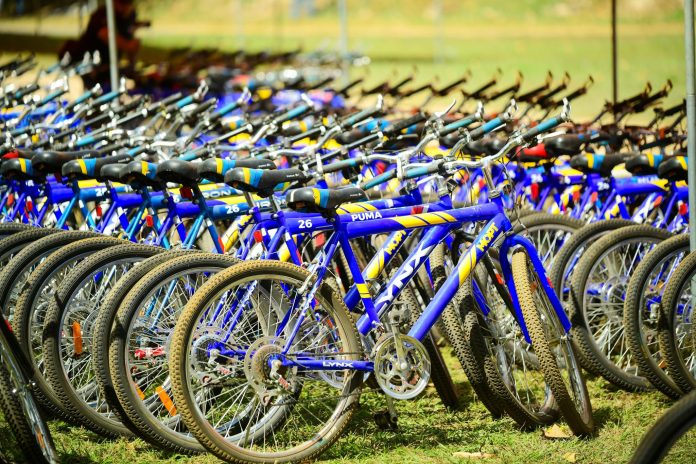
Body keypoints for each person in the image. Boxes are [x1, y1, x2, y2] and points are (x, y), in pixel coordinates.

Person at [59, 0, 150, 87]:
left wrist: (132, 65)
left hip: (107, 66)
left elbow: (130, 35)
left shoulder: (129, 16)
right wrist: (128, 45)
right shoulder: (102, 14)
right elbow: (105, 35)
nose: (126, 7)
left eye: (129, 3)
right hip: (87, 64)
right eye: (122, 3)